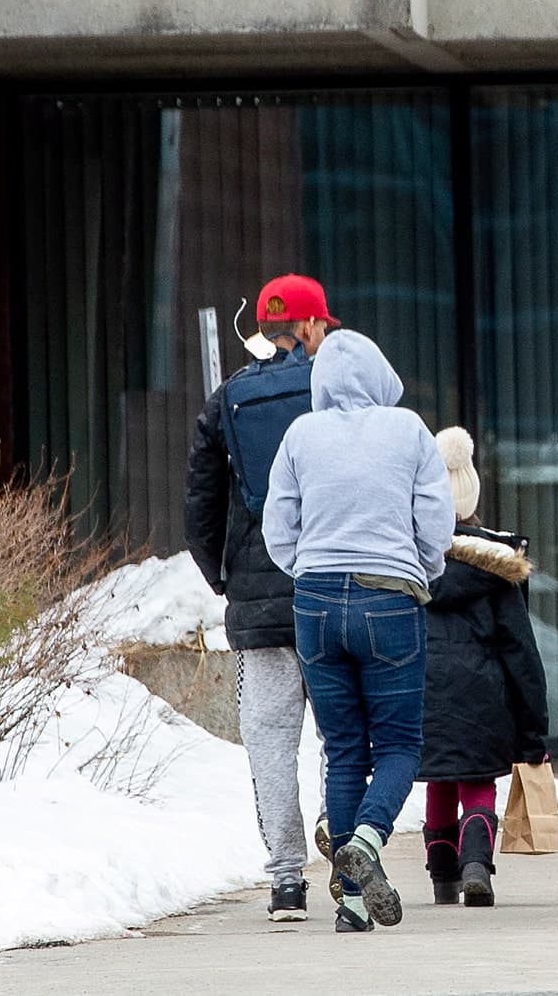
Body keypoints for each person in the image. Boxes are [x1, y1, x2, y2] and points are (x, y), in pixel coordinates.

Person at [263, 329, 456, 934]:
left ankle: (349, 904)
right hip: (389, 598)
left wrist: (309, 569)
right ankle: (368, 842)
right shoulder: (409, 431)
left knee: (342, 749)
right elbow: (435, 522)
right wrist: (421, 569)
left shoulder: (299, 435)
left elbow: (278, 527)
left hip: (315, 602)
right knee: (398, 745)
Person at [182, 272, 336, 923]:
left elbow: (199, 507)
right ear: (305, 328)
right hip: (332, 591)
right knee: (341, 732)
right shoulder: (333, 392)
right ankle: (345, 834)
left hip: (259, 597)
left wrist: (226, 579)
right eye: (323, 325)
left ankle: (286, 881)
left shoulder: (227, 400)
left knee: (271, 741)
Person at [418, 426, 549, 909]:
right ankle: (477, 864)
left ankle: (442, 876)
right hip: (484, 699)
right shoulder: (499, 569)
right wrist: (534, 734)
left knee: (439, 782)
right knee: (476, 781)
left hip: (423, 698)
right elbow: (521, 654)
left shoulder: (407, 566)